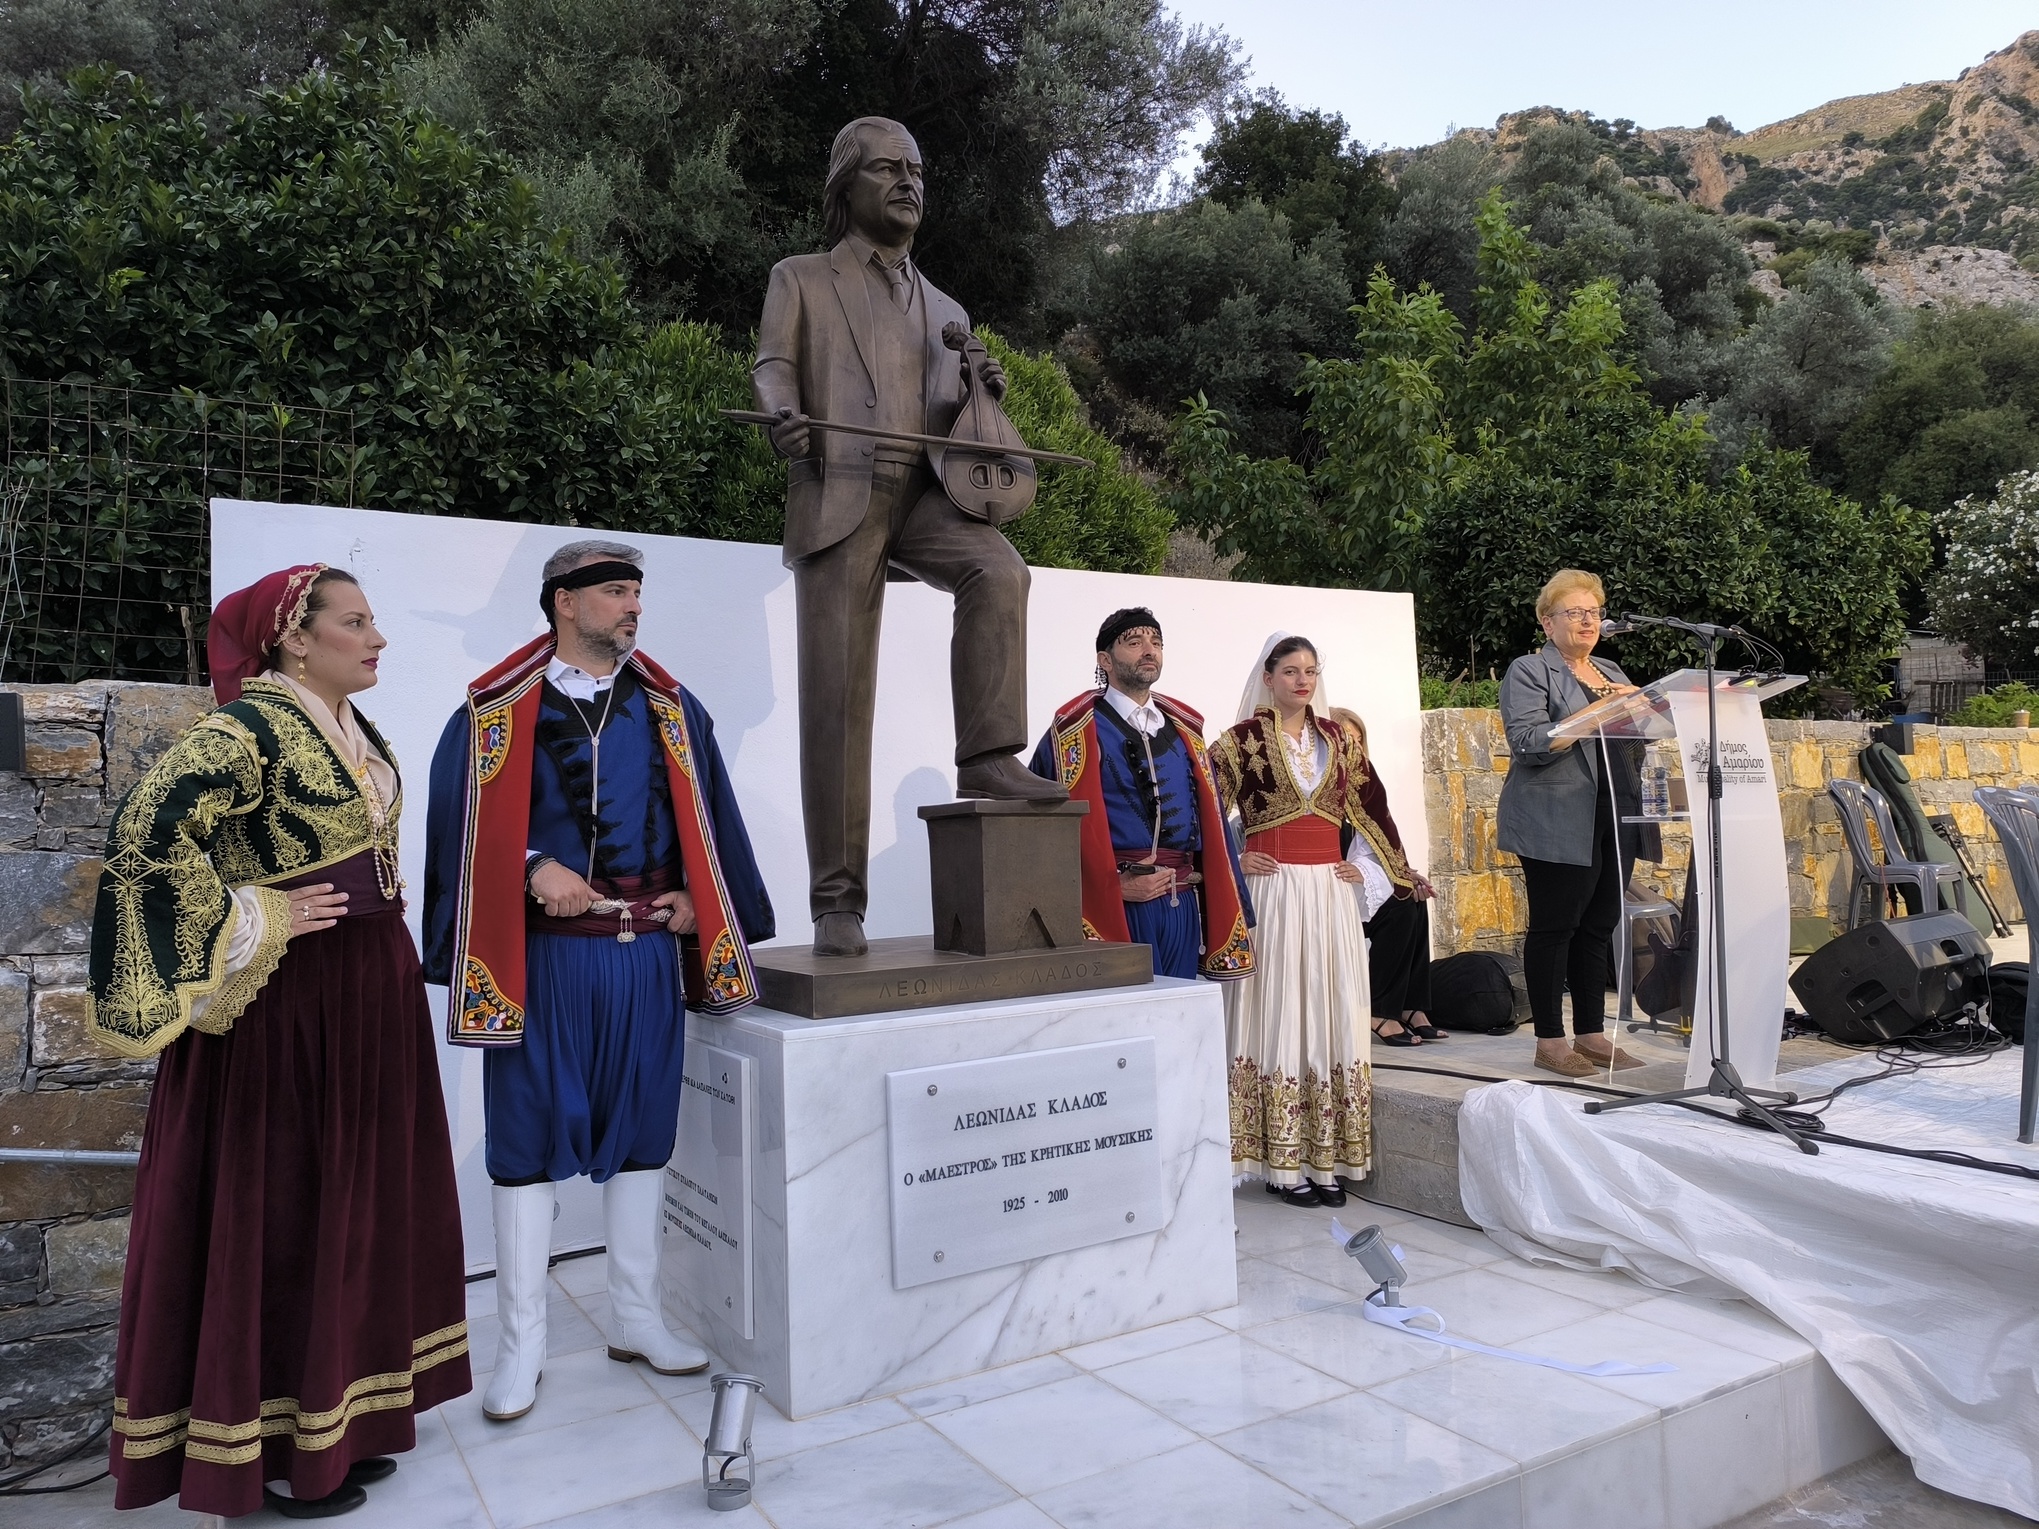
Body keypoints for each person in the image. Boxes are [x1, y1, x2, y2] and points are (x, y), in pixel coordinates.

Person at [89, 565, 469, 1519]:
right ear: (295, 638)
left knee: (355, 1203)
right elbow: (143, 836)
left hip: (367, 994)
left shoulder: (351, 726)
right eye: (356, 621)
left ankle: (337, 1430)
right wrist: (251, 915)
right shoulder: (245, 730)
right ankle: (254, 1454)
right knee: (287, 1206)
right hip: (289, 1007)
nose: (376, 637)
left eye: (374, 620)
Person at [423, 541, 774, 1425]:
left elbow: (710, 818)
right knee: (523, 1142)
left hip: (645, 957)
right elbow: (457, 824)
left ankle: (634, 1318)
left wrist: (696, 892)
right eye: (617, 591)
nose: (633, 607)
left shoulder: (671, 707)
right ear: (564, 601)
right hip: (544, 963)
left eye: (636, 592)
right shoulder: (494, 713)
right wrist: (531, 865)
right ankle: (522, 1346)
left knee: (645, 1134)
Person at [753, 114, 1064, 960]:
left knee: (999, 571)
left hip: (928, 493)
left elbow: (956, 419)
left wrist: (982, 392)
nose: (907, 182)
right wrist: (783, 415)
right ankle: (836, 902)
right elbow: (773, 366)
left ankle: (987, 754)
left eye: (917, 170)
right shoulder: (801, 277)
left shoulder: (948, 309)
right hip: (839, 485)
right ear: (845, 185)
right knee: (838, 699)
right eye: (887, 168)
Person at [1209, 635, 1396, 1208]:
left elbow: (1375, 809)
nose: (1302, 681)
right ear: (1268, 677)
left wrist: (1380, 869)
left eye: (1310, 671)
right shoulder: (1238, 742)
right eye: (1290, 671)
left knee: (1331, 1008)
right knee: (1280, 1009)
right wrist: (1235, 859)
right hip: (1274, 893)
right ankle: (1279, 1163)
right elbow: (1205, 814)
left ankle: (1327, 1159)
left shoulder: (1338, 740)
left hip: (1330, 896)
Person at [1027, 606, 1254, 981]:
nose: (1149, 650)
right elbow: (1038, 830)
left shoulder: (1187, 730)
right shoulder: (1072, 732)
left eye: (1156, 642)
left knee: (1180, 1011)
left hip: (1182, 904)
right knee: (1124, 1011)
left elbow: (1213, 826)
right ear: (1105, 660)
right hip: (1116, 906)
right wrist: (1111, 887)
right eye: (1134, 642)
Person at [1497, 569, 1655, 1077]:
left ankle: (1591, 1035)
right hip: (1557, 817)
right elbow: (1528, 742)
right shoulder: (1529, 670)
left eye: (1594, 612)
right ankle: (1549, 1040)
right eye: (1575, 612)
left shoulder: (1609, 669)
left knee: (1599, 925)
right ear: (1548, 622)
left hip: (1617, 811)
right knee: (1555, 927)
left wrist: (1645, 709)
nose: (1588, 621)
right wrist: (1602, 711)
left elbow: (1638, 737)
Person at [1326, 707, 1441, 1046]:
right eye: (1346, 739)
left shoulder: (1365, 790)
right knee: (1399, 909)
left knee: (1414, 899)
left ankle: (1410, 1005)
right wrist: (1367, 872)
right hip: (1327, 891)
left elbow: (1380, 845)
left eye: (1358, 740)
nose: (1354, 747)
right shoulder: (1320, 789)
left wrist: (1404, 874)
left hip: (1356, 887)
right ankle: (1379, 1011)